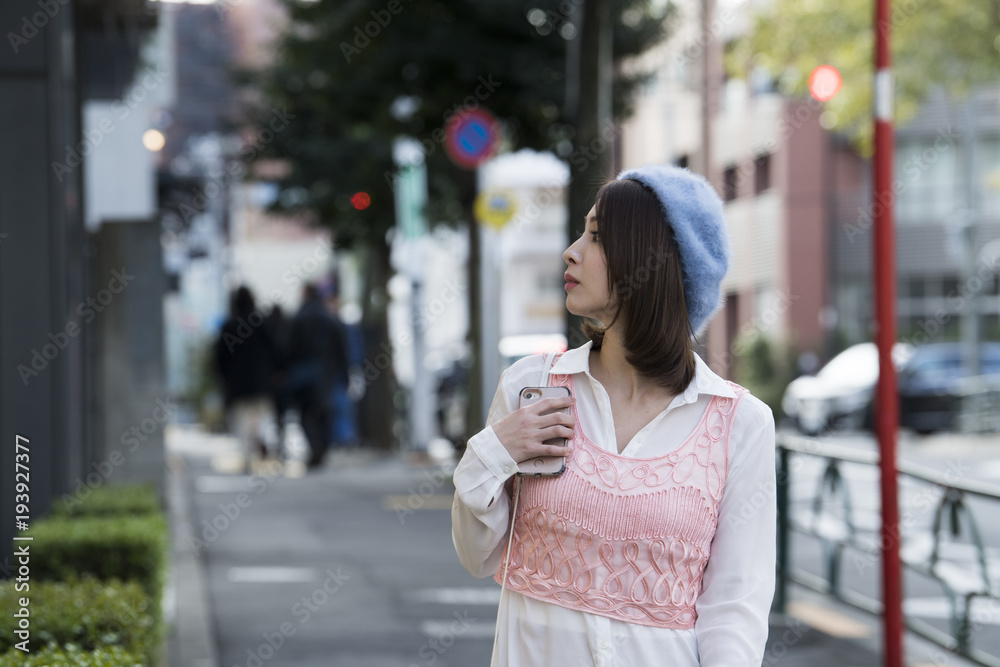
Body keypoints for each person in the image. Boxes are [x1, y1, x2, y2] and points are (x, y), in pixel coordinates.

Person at [451, 165, 777, 666]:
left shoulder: (740, 423)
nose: (571, 250)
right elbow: (478, 558)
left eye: (597, 237)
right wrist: (491, 452)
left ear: (653, 261)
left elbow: (734, 606)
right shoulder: (532, 388)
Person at [214, 286, 277, 474]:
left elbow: (220, 358)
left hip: (238, 386)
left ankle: (249, 457)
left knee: (242, 424)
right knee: (262, 420)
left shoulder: (228, 326)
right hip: (261, 385)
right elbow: (275, 351)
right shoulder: (262, 324)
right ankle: (261, 451)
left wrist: (225, 379)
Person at [286, 283, 350, 469]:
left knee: (305, 412)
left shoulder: (299, 318)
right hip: (326, 374)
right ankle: (322, 445)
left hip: (302, 374)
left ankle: (314, 445)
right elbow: (341, 348)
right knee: (324, 411)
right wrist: (344, 374)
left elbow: (290, 348)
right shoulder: (328, 318)